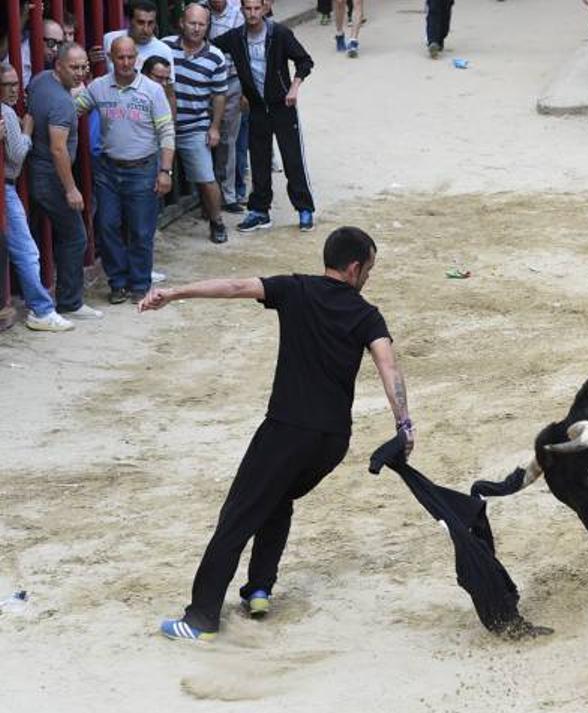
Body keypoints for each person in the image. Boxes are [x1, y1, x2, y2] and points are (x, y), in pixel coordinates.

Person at [140, 227, 414, 642]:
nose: (368, 278)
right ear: (354, 267)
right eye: (369, 269)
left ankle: (200, 619)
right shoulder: (367, 314)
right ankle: (259, 589)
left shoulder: (295, 290)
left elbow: (234, 286)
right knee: (278, 499)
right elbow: (388, 367)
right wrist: (403, 425)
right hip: (332, 440)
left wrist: (175, 293)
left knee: (238, 516)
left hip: (287, 429)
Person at [76, 36, 176, 304]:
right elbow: (74, 109)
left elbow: (166, 131)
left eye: (130, 57)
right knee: (107, 226)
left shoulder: (152, 90)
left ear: (137, 59)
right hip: (108, 168)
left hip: (143, 168)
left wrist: (165, 171)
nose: (126, 62)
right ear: (111, 57)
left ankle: (140, 284)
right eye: (120, 57)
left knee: (142, 231)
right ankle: (118, 282)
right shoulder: (98, 87)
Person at [214, 0, 316, 233]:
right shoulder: (236, 37)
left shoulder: (279, 34)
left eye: (256, 8)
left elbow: (305, 60)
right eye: (247, 9)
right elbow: (210, 48)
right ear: (241, 11)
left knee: (292, 158)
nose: (252, 14)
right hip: (257, 106)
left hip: (282, 104)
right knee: (258, 159)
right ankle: (260, 211)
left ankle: (304, 208)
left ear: (265, 9)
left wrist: (294, 87)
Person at [26, 45, 103, 322]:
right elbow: (59, 149)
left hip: (34, 168)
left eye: (84, 67)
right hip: (50, 176)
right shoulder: (61, 103)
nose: (81, 73)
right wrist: (71, 188)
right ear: (59, 65)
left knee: (36, 233)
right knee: (75, 236)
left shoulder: (40, 80)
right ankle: (70, 301)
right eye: (74, 67)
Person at [2, 62, 74, 331]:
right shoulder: (7, 113)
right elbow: (17, 157)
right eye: (6, 85)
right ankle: (42, 310)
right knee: (26, 250)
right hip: (5, 187)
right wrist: (27, 133)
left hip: (7, 187)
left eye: (15, 84)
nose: (12, 90)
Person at [164, 3, 230, 243]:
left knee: (206, 178)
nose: (196, 28)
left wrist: (214, 127)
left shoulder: (215, 56)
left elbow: (219, 95)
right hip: (162, 127)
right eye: (192, 23)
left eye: (202, 24)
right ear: (182, 22)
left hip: (195, 125)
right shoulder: (164, 47)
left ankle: (217, 221)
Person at [95, 0, 177, 114]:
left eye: (150, 23)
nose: (146, 29)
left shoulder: (163, 50)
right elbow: (97, 76)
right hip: (112, 112)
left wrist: (171, 128)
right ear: (130, 21)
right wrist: (91, 60)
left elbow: (170, 94)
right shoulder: (110, 40)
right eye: (141, 22)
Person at [209, 0, 246, 211]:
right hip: (204, 82)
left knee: (228, 139)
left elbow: (245, 51)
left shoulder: (238, 13)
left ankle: (228, 194)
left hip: (232, 80)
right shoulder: (201, 10)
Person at [21, 18, 65, 83]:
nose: (55, 49)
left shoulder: (53, 58)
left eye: (59, 44)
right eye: (51, 43)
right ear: (38, 38)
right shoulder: (21, 57)